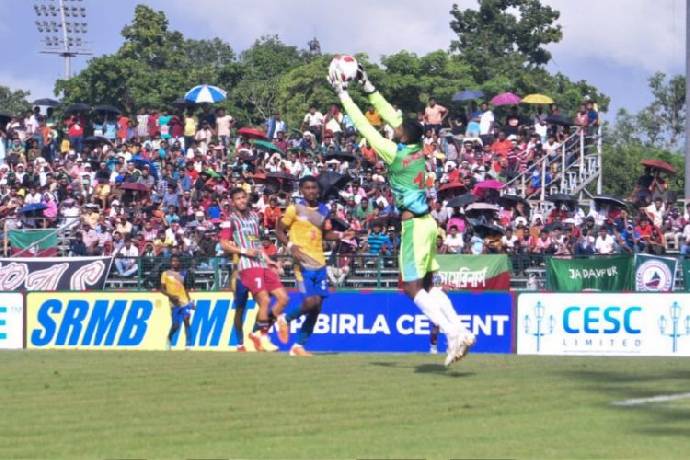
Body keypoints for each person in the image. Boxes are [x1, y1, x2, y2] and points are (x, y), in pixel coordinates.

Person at [330, 62, 475, 366]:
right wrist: (367, 84)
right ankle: (461, 329)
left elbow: (364, 126)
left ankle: (451, 333)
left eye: (397, 128)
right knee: (430, 284)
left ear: (403, 135)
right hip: (428, 223)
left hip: (412, 225)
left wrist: (343, 94)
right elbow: (389, 114)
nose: (393, 127)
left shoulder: (394, 153)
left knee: (410, 287)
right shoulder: (418, 147)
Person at [275, 176, 353, 356]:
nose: (311, 191)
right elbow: (279, 230)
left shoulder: (324, 211)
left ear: (318, 191)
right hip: (302, 263)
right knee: (312, 301)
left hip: (320, 263)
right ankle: (285, 319)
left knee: (316, 308)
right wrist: (290, 245)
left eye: (314, 188)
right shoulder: (294, 209)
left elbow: (326, 234)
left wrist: (342, 235)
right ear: (301, 190)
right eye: (307, 188)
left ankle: (298, 346)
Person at [220, 187, 289, 352]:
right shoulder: (230, 220)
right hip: (241, 270)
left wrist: (269, 261)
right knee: (240, 308)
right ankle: (240, 342)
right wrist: (243, 251)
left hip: (259, 265)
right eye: (238, 199)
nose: (242, 201)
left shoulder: (253, 217)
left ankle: (259, 334)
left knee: (268, 301)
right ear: (233, 202)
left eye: (244, 197)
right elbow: (223, 244)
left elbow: (256, 243)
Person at [161, 255, 196, 350]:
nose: (175, 263)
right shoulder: (165, 274)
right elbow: (162, 289)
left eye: (176, 261)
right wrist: (171, 296)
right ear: (170, 262)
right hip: (173, 302)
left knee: (186, 320)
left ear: (179, 262)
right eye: (173, 261)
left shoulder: (184, 274)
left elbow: (186, 289)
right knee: (176, 325)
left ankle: (188, 345)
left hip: (184, 301)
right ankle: (169, 337)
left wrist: (190, 301)